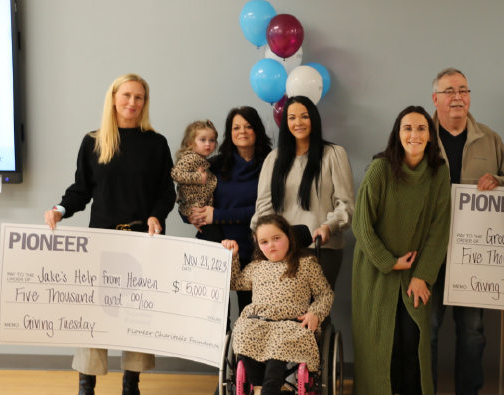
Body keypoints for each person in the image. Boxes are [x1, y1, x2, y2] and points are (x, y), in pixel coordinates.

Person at [43, 73, 174, 395]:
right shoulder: (93, 141)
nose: (132, 102)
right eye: (127, 95)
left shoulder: (156, 143)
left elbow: (165, 192)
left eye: (139, 97)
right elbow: (81, 189)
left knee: (136, 315)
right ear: (114, 97)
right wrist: (60, 209)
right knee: (95, 315)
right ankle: (86, 385)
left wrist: (157, 215)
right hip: (100, 240)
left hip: (143, 241)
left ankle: (132, 383)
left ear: (145, 103)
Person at [351, 106, 452, 395]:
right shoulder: (380, 169)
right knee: (382, 347)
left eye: (421, 128)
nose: (414, 134)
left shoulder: (438, 173)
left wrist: (423, 275)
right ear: (398, 134)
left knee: (412, 345)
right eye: (407, 128)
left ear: (430, 136)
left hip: (414, 274)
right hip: (375, 270)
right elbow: (361, 225)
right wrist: (388, 261)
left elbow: (439, 228)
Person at [426, 68, 504, 395]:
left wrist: (500, 182)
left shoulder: (489, 139)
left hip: (473, 256)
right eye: (449, 91)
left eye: (463, 90)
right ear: (435, 99)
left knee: (473, 332)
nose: (458, 97)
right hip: (430, 252)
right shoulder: (419, 136)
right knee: (429, 330)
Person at [221, 215, 333, 395]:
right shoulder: (257, 267)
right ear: (258, 245)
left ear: (289, 236)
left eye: (276, 238)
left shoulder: (306, 264)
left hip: (292, 323)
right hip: (258, 321)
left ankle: (270, 389)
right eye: (264, 242)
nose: (271, 245)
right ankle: (259, 387)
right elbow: (235, 283)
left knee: (280, 342)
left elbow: (325, 294)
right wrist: (233, 257)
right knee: (241, 332)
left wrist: (315, 313)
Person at [253, 96, 354, 292]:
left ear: (314, 119)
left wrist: (328, 227)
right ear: (285, 122)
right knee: (285, 317)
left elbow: (346, 204)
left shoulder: (333, 154)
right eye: (291, 118)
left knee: (316, 316)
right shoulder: (274, 159)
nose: (298, 122)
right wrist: (262, 237)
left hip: (322, 249)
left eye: (304, 116)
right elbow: (264, 208)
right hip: (281, 252)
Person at [191, 106, 274, 264]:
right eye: (236, 127)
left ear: (257, 130)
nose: (242, 131)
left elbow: (268, 210)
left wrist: (217, 215)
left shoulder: (271, 165)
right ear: (230, 133)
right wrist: (191, 215)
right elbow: (186, 195)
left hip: (253, 251)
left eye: (248, 126)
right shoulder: (213, 165)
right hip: (212, 247)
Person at [172, 120, 221, 240]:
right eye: (202, 140)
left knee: (216, 239)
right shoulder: (190, 158)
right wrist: (198, 177)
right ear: (190, 143)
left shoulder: (204, 162)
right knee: (218, 240)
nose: (208, 144)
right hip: (195, 208)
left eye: (212, 140)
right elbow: (176, 174)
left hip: (201, 209)